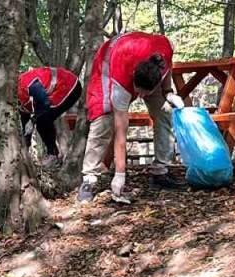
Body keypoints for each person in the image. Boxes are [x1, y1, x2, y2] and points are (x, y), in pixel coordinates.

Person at [79, 31, 188, 204]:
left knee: (165, 111)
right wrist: (120, 174)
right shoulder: (122, 78)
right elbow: (121, 132)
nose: (139, 96)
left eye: (144, 93)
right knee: (104, 117)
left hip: (144, 67)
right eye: (137, 91)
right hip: (109, 64)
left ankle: (161, 171)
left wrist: (168, 92)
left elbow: (168, 68)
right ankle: (89, 179)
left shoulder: (164, 51)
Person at [18, 67, 82, 165]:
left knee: (43, 119)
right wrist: (26, 145)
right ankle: (53, 153)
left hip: (69, 85)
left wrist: (33, 120)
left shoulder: (27, 84)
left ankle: (53, 154)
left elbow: (45, 103)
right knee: (41, 118)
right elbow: (25, 116)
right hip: (58, 89)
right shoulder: (18, 95)